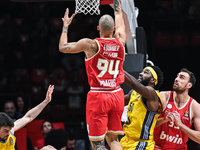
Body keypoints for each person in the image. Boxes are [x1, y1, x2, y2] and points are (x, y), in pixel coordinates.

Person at [59, 0, 126, 149]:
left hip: (99, 96)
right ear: (114, 29)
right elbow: (119, 16)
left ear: (98, 28)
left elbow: (62, 47)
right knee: (114, 139)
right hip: (117, 94)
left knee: (97, 143)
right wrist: (116, 5)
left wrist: (65, 26)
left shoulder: (91, 45)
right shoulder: (121, 41)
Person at [154, 68, 200, 149]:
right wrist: (164, 119)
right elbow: (147, 124)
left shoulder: (195, 107)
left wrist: (180, 125)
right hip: (156, 147)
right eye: (177, 76)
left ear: (189, 85)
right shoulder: (163, 96)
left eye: (181, 77)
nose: (176, 79)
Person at [120, 66, 164, 150]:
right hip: (126, 140)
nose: (140, 74)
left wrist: (117, 66)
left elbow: (134, 84)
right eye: (142, 71)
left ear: (153, 80)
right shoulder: (133, 93)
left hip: (141, 144)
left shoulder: (152, 94)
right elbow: (117, 102)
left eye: (146, 72)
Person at [0, 85, 54, 150]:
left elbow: (29, 117)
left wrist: (46, 101)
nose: (9, 133)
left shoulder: (10, 131)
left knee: (49, 149)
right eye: (6, 131)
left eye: (9, 130)